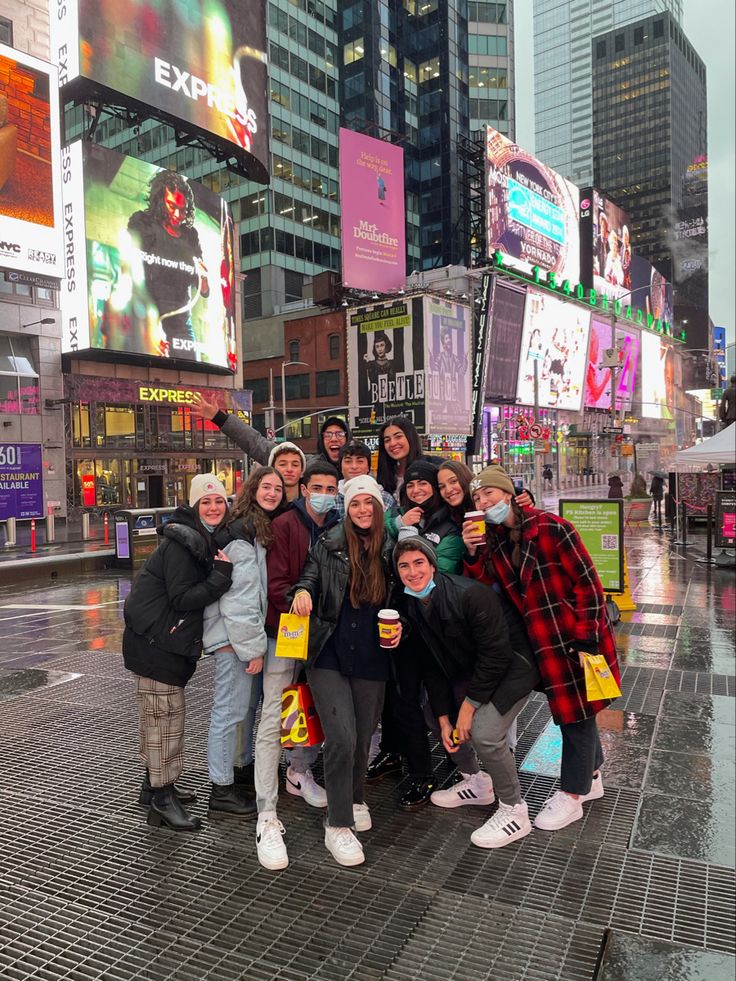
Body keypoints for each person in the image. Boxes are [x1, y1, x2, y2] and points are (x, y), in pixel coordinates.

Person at [462, 466, 620, 832]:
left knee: (575, 715)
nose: (485, 503)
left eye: (490, 494)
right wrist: (472, 552)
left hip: (575, 638)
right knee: (576, 709)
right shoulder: (497, 541)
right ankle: (591, 776)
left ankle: (572, 795)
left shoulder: (551, 528)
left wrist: (584, 640)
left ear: (507, 493)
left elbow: (589, 585)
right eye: (478, 499)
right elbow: (486, 586)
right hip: (542, 642)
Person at [394, 537, 540, 847]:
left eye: (419, 563)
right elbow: (431, 665)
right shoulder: (411, 603)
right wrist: (446, 716)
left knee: (485, 732)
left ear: (433, 565)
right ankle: (476, 781)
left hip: (513, 667)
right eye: (404, 566)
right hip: (471, 669)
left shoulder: (469, 594)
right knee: (435, 717)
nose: (413, 572)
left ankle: (514, 810)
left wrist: (469, 706)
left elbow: (497, 655)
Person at [291, 475, 401, 867]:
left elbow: (407, 587)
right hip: (330, 650)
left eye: (369, 503)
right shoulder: (329, 543)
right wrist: (302, 592)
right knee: (341, 736)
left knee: (363, 735)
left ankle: (354, 798)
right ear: (347, 508)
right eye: (355, 504)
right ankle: (337, 824)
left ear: (379, 507)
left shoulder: (391, 547)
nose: (363, 510)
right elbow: (308, 578)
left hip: (373, 653)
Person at [122, 474, 233, 831]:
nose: (214, 507)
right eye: (206, 502)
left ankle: (151, 785)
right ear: (194, 506)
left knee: (157, 719)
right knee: (165, 721)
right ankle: (162, 798)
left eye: (219, 501)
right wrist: (221, 576)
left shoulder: (195, 539)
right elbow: (182, 597)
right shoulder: (182, 546)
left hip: (159, 643)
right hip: (157, 646)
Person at [253, 460, 341, 870]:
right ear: (303, 488)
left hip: (324, 635)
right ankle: (266, 812)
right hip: (286, 630)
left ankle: (299, 772)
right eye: (317, 486)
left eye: (330, 486)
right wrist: (297, 599)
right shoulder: (287, 525)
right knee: (275, 711)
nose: (323, 493)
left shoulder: (338, 524)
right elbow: (276, 585)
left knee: (307, 707)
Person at [203, 468, 285, 819]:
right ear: (253, 490)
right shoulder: (242, 534)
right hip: (231, 640)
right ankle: (220, 790)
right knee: (229, 713)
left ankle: (237, 773)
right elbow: (241, 599)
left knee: (239, 711)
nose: (272, 492)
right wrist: (252, 650)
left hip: (232, 637)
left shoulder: (251, 527)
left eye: (278, 488)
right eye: (266, 486)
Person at [127, 170, 208, 361]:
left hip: (181, 322)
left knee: (190, 369)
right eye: (172, 206)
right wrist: (150, 328)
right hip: (147, 314)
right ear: (160, 200)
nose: (178, 215)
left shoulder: (190, 236)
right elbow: (133, 276)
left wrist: (204, 276)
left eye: (183, 209)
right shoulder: (142, 224)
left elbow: (203, 291)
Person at [191, 395, 350, 468]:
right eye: (328, 435)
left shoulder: (359, 470)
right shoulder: (306, 465)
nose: (334, 439)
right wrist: (219, 418)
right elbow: (257, 444)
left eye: (339, 434)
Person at [385, 460, 464, 574]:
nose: (416, 490)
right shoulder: (394, 513)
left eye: (423, 483)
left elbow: (443, 570)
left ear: (434, 487)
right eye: (410, 485)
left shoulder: (449, 525)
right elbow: (373, 533)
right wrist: (399, 523)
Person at [376, 415, 442, 502]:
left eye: (398, 437)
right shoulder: (386, 475)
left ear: (410, 437)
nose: (392, 443)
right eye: (387, 440)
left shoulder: (434, 466)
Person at [335, 440, 395, 517]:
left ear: (368, 467)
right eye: (348, 461)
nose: (354, 466)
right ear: (340, 467)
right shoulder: (332, 496)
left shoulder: (385, 498)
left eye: (360, 461)